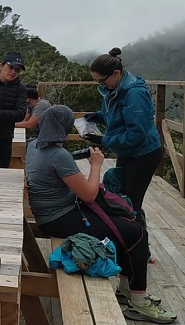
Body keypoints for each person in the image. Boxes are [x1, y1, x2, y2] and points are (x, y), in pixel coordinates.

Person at [26, 105, 176, 324]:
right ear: (65, 126)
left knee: (127, 227)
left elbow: (55, 172)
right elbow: (88, 194)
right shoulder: (58, 155)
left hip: (50, 215)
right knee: (137, 233)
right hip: (60, 218)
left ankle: (128, 290)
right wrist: (96, 165)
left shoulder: (33, 146)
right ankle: (140, 303)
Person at [82, 47, 162, 232]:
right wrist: (98, 116)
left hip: (144, 153)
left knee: (132, 201)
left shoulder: (134, 94)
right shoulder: (113, 88)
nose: (101, 85)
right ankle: (131, 242)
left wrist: (104, 140)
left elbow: (137, 133)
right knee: (122, 196)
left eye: (102, 80)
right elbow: (115, 115)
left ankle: (140, 248)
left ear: (116, 73)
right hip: (128, 151)